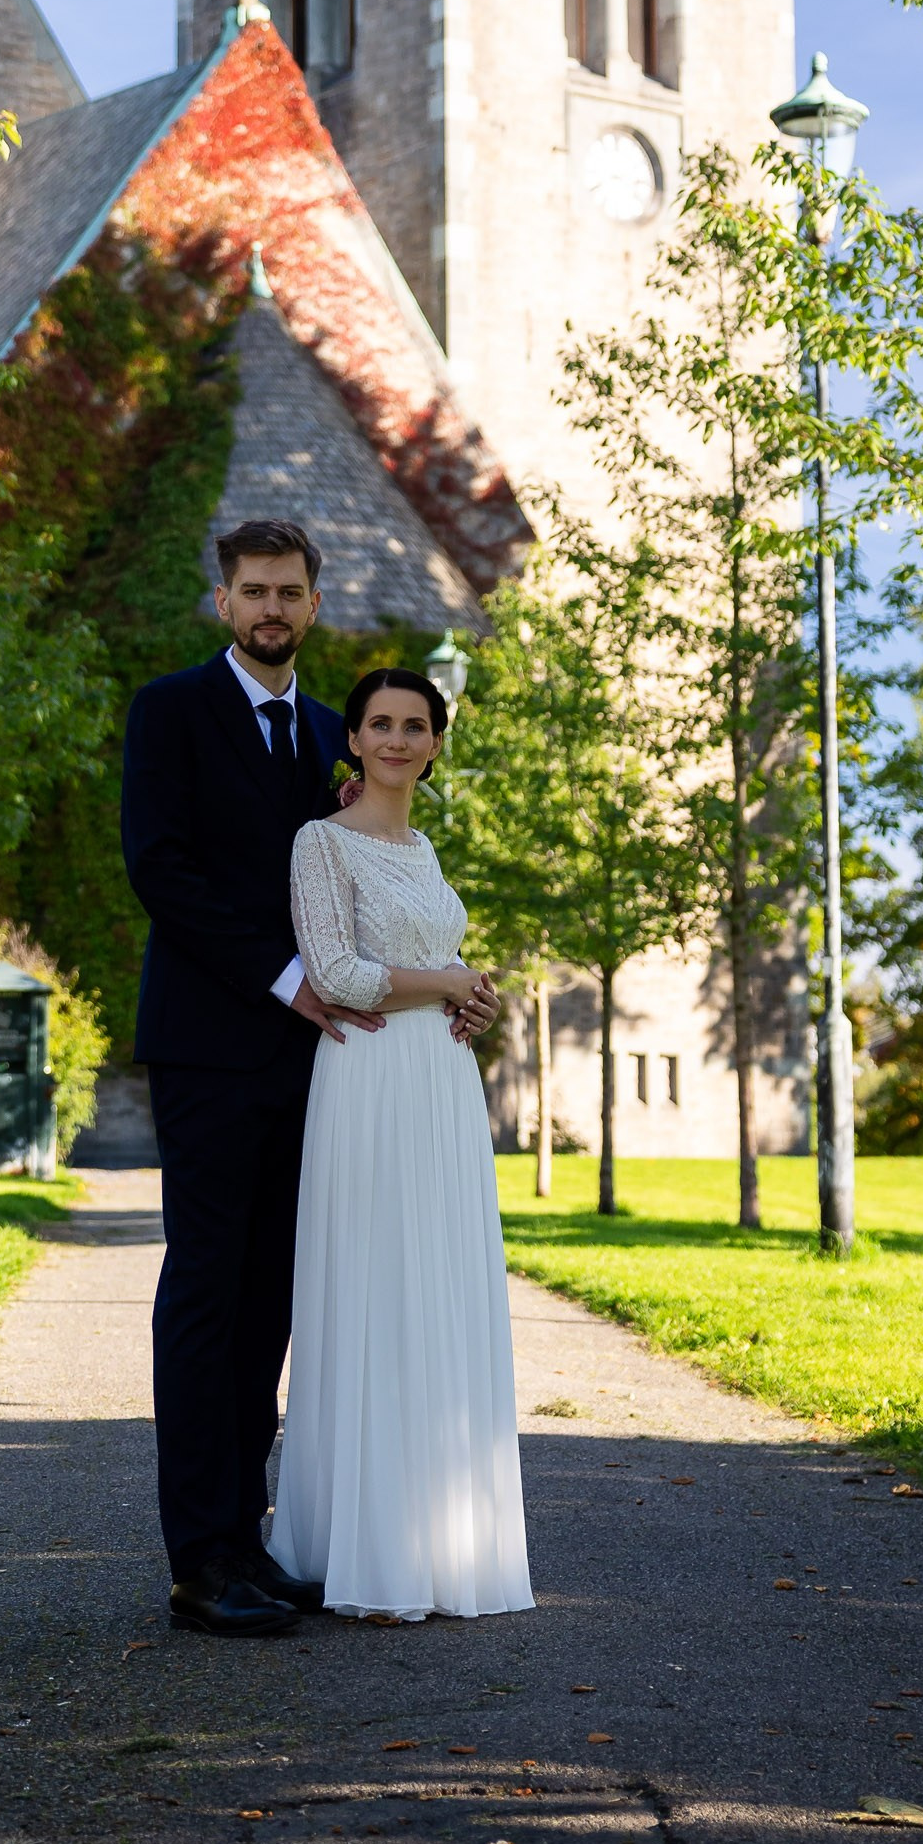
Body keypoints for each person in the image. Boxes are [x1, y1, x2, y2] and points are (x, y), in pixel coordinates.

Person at [120, 518, 380, 1638]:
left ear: (314, 606)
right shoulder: (169, 713)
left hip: (313, 1060)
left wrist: (438, 981)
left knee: (272, 1299)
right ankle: (196, 1561)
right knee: (207, 1295)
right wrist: (282, 979)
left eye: (291, 593)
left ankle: (249, 1539)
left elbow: (368, 881)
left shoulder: (334, 734)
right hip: (210, 1048)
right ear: (220, 603)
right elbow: (161, 870)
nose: (273, 609)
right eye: (254, 591)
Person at [269, 666, 533, 1622]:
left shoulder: (423, 848)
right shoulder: (320, 843)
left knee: (439, 1287)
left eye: (414, 726)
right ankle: (363, 1552)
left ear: (434, 743)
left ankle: (441, 1540)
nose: (395, 738)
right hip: (369, 1080)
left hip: (440, 1084)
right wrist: (448, 978)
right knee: (374, 1287)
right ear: (352, 740)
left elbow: (427, 968)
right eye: (378, 723)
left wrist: (471, 994)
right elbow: (336, 972)